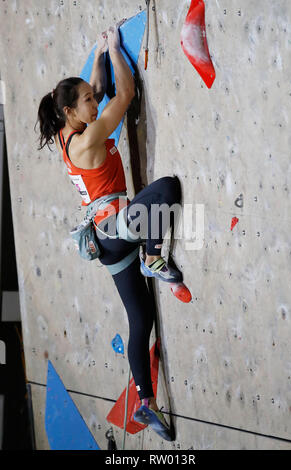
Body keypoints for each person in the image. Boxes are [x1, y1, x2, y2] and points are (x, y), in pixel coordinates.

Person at [35, 22, 183, 441]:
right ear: (70, 112)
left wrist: (99, 53)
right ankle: (153, 255)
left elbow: (98, 91)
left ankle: (144, 404)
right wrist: (117, 50)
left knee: (141, 318)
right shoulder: (89, 137)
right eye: (85, 101)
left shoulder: (69, 135)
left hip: (105, 240)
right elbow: (124, 95)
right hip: (116, 228)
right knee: (166, 189)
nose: (93, 104)